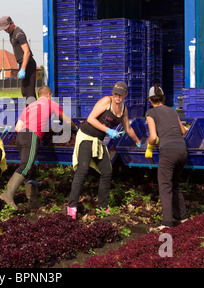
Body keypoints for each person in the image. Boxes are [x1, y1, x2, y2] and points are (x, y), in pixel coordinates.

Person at [67, 81, 141, 219]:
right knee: (82, 171)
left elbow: (128, 128)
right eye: (115, 93)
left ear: (126, 94)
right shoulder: (106, 101)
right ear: (113, 93)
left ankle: (102, 207)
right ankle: (71, 207)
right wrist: (108, 130)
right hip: (86, 136)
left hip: (99, 141)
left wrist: (138, 142)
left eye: (120, 94)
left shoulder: (124, 109)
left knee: (107, 171)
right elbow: (90, 119)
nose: (117, 96)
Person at [0, 85, 77, 210]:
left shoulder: (29, 107)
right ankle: (8, 195)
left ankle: (33, 203)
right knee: (26, 166)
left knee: (29, 169)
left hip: (21, 137)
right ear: (49, 95)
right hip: (31, 136)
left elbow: (18, 128)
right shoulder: (51, 103)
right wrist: (75, 128)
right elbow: (67, 121)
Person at [145, 84, 188, 230]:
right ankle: (183, 217)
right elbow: (182, 131)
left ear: (150, 100)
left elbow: (153, 136)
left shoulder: (150, 113)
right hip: (182, 150)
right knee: (175, 184)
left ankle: (167, 223)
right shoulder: (172, 110)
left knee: (165, 186)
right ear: (163, 98)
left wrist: (149, 146)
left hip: (168, 152)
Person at [0, 16, 37, 99]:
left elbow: (27, 52)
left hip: (28, 64)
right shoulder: (11, 33)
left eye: (7, 28)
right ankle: (29, 110)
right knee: (24, 92)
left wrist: (23, 68)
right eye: (4, 30)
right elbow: (18, 50)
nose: (6, 31)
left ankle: (34, 111)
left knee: (29, 93)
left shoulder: (19, 34)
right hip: (23, 63)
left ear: (12, 23)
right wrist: (19, 62)